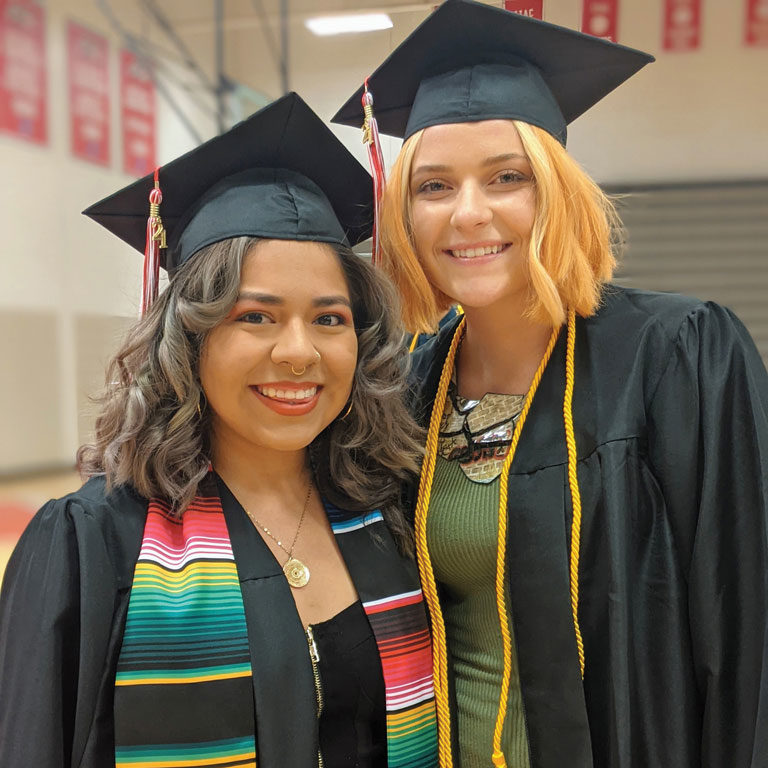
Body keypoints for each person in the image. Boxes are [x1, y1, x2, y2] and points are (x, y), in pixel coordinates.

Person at [332, 2, 768, 767]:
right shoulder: (406, 388)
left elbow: (748, 630)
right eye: (433, 187)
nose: (469, 213)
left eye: (508, 178)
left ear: (558, 193)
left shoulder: (679, 356)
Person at [0, 92, 439, 768]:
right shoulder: (95, 543)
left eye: (329, 319)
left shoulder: (390, 512)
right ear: (189, 340)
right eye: (255, 317)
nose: (299, 352)